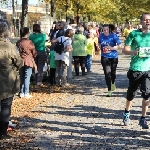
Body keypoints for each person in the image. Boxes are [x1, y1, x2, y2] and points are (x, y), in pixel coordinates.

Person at [122, 13, 150, 129]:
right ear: (141, 22)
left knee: (147, 95)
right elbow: (125, 50)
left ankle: (143, 118)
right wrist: (134, 52)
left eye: (149, 20)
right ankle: (126, 113)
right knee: (131, 95)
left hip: (148, 70)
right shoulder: (133, 34)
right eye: (145, 20)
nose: (148, 21)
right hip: (135, 69)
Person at [0, 22, 22, 140]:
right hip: (7, 80)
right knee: (5, 106)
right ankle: (2, 133)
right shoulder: (10, 46)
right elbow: (19, 62)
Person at [98, 24, 122, 96]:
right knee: (107, 73)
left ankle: (113, 82)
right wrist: (99, 46)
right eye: (104, 30)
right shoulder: (101, 35)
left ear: (109, 30)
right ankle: (109, 90)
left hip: (113, 57)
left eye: (107, 30)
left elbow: (120, 45)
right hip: (104, 56)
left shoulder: (114, 35)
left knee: (113, 73)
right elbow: (99, 42)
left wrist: (112, 48)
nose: (105, 31)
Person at [16, 27, 37, 98]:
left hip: (20, 60)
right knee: (27, 77)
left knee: (21, 77)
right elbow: (34, 53)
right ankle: (26, 92)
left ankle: (21, 92)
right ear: (27, 33)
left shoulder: (18, 42)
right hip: (28, 61)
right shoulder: (30, 42)